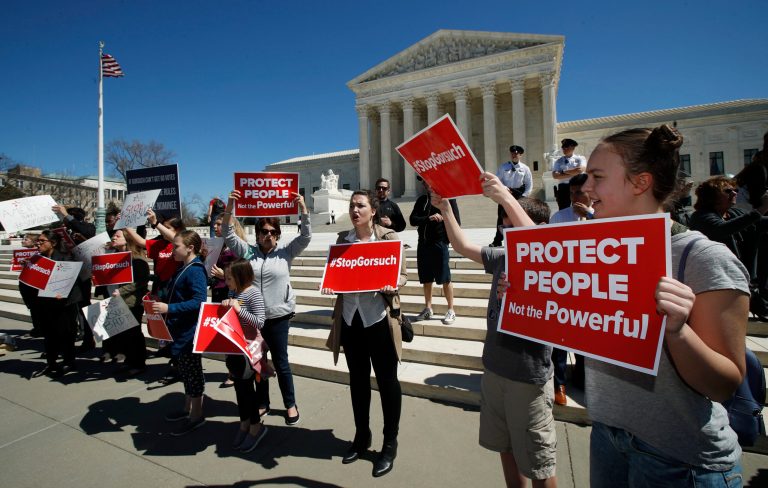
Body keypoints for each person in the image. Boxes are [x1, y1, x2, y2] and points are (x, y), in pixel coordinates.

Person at [566, 125, 748, 487]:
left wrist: (678, 331)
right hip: (608, 435)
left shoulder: (704, 258)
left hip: (681, 459)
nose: (585, 187)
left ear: (640, 183)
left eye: (597, 177)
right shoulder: (592, 251)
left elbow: (724, 384)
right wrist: (530, 293)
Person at [431, 179, 557, 488]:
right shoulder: (502, 257)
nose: (505, 233)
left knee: (538, 463)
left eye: (511, 225)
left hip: (528, 378)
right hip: (494, 369)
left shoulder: (555, 267)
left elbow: (540, 247)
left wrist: (504, 196)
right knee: (505, 448)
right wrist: (446, 209)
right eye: (503, 226)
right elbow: (461, 246)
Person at [323, 189, 408, 478]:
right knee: (358, 381)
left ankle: (389, 442)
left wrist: (393, 282)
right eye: (352, 205)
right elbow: (335, 271)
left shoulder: (388, 238)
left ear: (373, 210)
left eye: (360, 205)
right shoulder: (341, 240)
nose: (354, 210)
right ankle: (362, 436)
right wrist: (330, 283)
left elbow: (404, 274)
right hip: (350, 318)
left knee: (387, 382)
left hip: (379, 318)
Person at [222, 189, 310, 426]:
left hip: (278, 317)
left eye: (273, 232)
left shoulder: (285, 253)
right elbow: (227, 234)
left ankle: (290, 404)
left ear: (278, 235)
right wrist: (231, 204)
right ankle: (263, 402)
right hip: (251, 318)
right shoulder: (249, 253)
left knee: (281, 363)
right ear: (257, 234)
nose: (269, 235)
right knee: (258, 362)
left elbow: (305, 238)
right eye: (264, 231)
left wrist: (303, 210)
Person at [153, 230, 209, 436]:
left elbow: (199, 301)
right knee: (185, 371)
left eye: (176, 246)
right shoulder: (182, 267)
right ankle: (188, 408)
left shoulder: (195, 270)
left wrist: (170, 309)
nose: (172, 250)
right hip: (180, 330)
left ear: (190, 248)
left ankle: (197, 414)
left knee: (193, 373)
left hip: (190, 332)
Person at [690, 176, 768, 322]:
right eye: (728, 191)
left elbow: (757, 223)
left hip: (741, 281)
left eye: (735, 190)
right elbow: (722, 229)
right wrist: (761, 209)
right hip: (716, 285)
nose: (734, 193)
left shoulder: (734, 213)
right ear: (712, 196)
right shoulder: (701, 217)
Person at [222, 258, 269, 452]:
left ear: (241, 277)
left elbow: (260, 322)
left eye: (229, 278)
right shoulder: (234, 292)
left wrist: (239, 310)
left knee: (248, 392)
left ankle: (256, 427)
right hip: (234, 348)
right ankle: (244, 423)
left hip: (248, 350)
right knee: (240, 391)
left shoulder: (253, 294)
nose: (226, 282)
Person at [30, 230, 83, 378]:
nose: (38, 243)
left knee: (66, 334)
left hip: (64, 304)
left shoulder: (66, 258)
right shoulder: (38, 259)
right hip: (46, 303)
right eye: (38, 241)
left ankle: (69, 362)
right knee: (49, 335)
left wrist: (63, 291)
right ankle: (51, 363)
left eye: (42, 241)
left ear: (52, 243)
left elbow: (73, 279)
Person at [409, 176, 460, 325]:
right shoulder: (421, 200)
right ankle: (428, 308)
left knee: (445, 277)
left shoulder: (448, 199)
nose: (427, 184)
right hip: (423, 244)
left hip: (439, 243)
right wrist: (428, 218)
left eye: (429, 181)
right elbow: (413, 220)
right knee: (426, 278)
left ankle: (451, 309)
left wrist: (443, 216)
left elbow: (457, 221)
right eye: (425, 181)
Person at [209, 215, 246, 388]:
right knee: (224, 334)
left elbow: (242, 274)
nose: (216, 227)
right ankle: (231, 368)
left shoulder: (236, 247)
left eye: (219, 224)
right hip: (218, 292)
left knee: (233, 333)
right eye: (215, 224)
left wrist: (223, 275)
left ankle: (236, 370)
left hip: (231, 294)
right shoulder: (216, 246)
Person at [107, 229, 150, 376]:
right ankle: (129, 361)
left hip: (132, 303)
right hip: (116, 301)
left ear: (127, 239)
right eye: (114, 235)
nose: (114, 237)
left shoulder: (137, 259)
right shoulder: (114, 257)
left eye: (118, 236)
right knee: (123, 335)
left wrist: (122, 291)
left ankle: (138, 363)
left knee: (134, 335)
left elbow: (141, 281)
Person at [491, 145, 532, 246]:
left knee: (518, 217)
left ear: (520, 155)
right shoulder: (503, 167)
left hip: (519, 195)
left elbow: (529, 184)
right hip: (506, 193)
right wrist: (504, 189)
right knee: (501, 218)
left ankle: (519, 239)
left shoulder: (525, 168)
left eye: (516, 153)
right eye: (513, 153)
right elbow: (498, 180)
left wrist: (524, 197)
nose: (514, 155)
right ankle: (497, 240)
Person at [18, 232, 42, 338]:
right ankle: (37, 328)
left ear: (34, 243)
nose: (23, 240)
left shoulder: (39, 254)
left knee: (37, 308)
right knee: (32, 308)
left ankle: (41, 328)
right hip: (25, 283)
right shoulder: (22, 253)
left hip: (35, 284)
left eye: (26, 239)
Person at [552, 138, 587, 210]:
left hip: (577, 186)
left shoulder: (580, 158)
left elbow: (580, 170)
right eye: (563, 147)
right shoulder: (558, 161)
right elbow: (555, 175)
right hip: (563, 188)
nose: (564, 148)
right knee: (563, 210)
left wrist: (563, 171)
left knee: (580, 208)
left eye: (566, 146)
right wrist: (574, 173)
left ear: (573, 147)